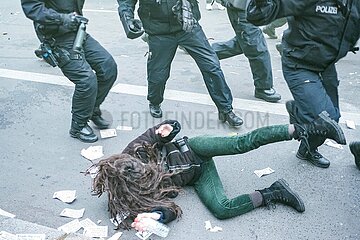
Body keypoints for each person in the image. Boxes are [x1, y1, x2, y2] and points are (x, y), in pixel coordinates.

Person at [88, 111, 346, 230]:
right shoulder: (134, 199)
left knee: (241, 143)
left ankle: (306, 129)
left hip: (194, 148)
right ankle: (273, 192)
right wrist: (155, 217)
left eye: (143, 167)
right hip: (199, 175)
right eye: (143, 175)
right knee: (222, 208)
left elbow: (158, 132)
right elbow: (168, 209)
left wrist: (167, 129)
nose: (146, 169)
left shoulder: (132, 152)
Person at [247, 0, 359, 168]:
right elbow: (258, 15)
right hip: (299, 64)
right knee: (325, 119)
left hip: (326, 64)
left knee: (332, 118)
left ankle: (306, 148)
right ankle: (303, 114)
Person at [117, 0, 243, 127]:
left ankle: (226, 110)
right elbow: (126, 2)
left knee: (211, 66)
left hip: (187, 25)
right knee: (158, 75)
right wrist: (127, 19)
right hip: (158, 30)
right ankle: (155, 101)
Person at [21, 0, 118, 143]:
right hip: (57, 37)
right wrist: (62, 18)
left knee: (108, 67)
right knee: (86, 79)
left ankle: (91, 109)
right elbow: (32, 8)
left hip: (78, 30)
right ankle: (78, 126)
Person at [211, 1, 281, 103]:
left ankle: (204, 52)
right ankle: (263, 87)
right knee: (256, 47)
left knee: (244, 43)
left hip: (249, 7)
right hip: (242, 7)